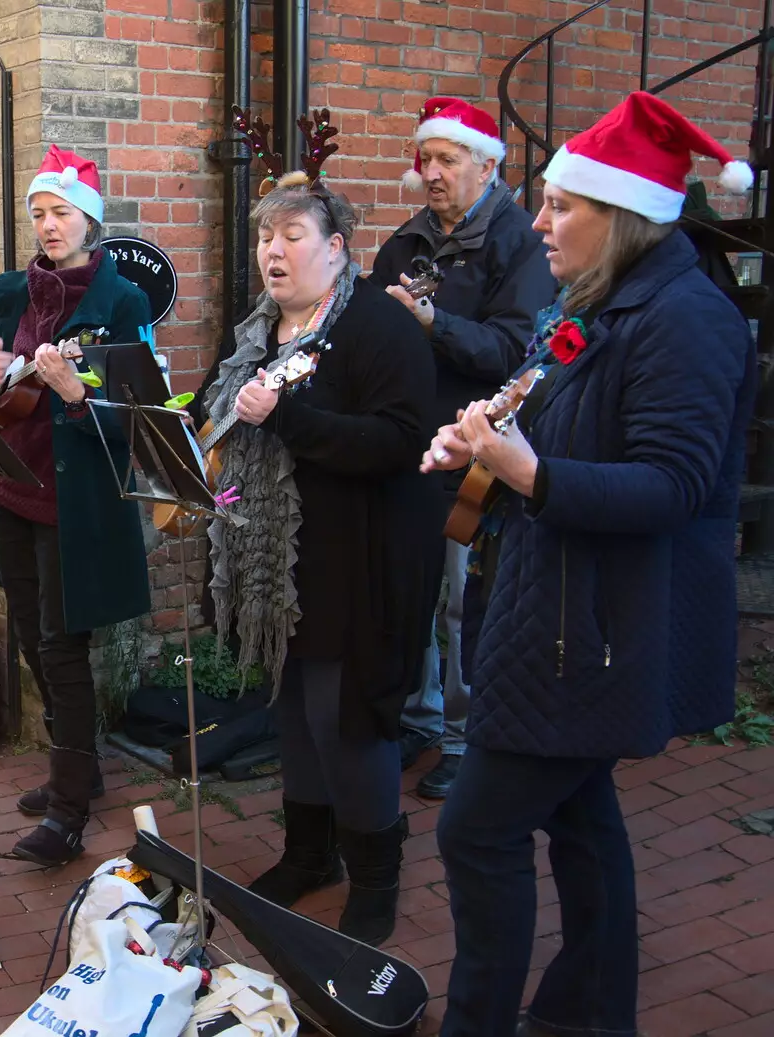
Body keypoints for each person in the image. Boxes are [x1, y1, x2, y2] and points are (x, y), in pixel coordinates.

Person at [423, 93, 755, 1037]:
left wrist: (530, 471)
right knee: (579, 820)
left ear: (622, 215)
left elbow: (674, 485)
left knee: (476, 828)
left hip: (600, 627)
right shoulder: (598, 302)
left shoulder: (687, 318)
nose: (540, 222)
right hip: (559, 610)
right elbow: (549, 415)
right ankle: (590, 1011)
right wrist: (479, 442)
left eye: (562, 205)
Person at [200, 171, 441, 946]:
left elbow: (403, 441)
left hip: (359, 563)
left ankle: (376, 876)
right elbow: (217, 408)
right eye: (266, 237)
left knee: (349, 724)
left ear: (335, 250)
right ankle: (310, 855)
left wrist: (293, 418)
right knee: (297, 714)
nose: (273, 250)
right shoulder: (253, 334)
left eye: (291, 236)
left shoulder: (378, 328)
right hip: (279, 564)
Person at [0, 146, 152, 866]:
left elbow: (137, 415)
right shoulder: (18, 295)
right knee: (34, 635)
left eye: (61, 212)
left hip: (73, 501)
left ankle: (69, 810)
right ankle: (79, 766)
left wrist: (78, 396)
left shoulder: (120, 302)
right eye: (38, 213)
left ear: (90, 220)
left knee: (62, 648)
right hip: (9, 484)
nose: (47, 225)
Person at [370, 98, 559, 799]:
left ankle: (467, 736)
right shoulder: (410, 238)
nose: (432, 173)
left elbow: (515, 348)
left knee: (462, 601)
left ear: (487, 164)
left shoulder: (521, 241)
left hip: (479, 451)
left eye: (448, 160)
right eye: (427, 159)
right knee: (411, 592)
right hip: (411, 447)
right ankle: (418, 720)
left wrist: (431, 322)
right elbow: (371, 317)